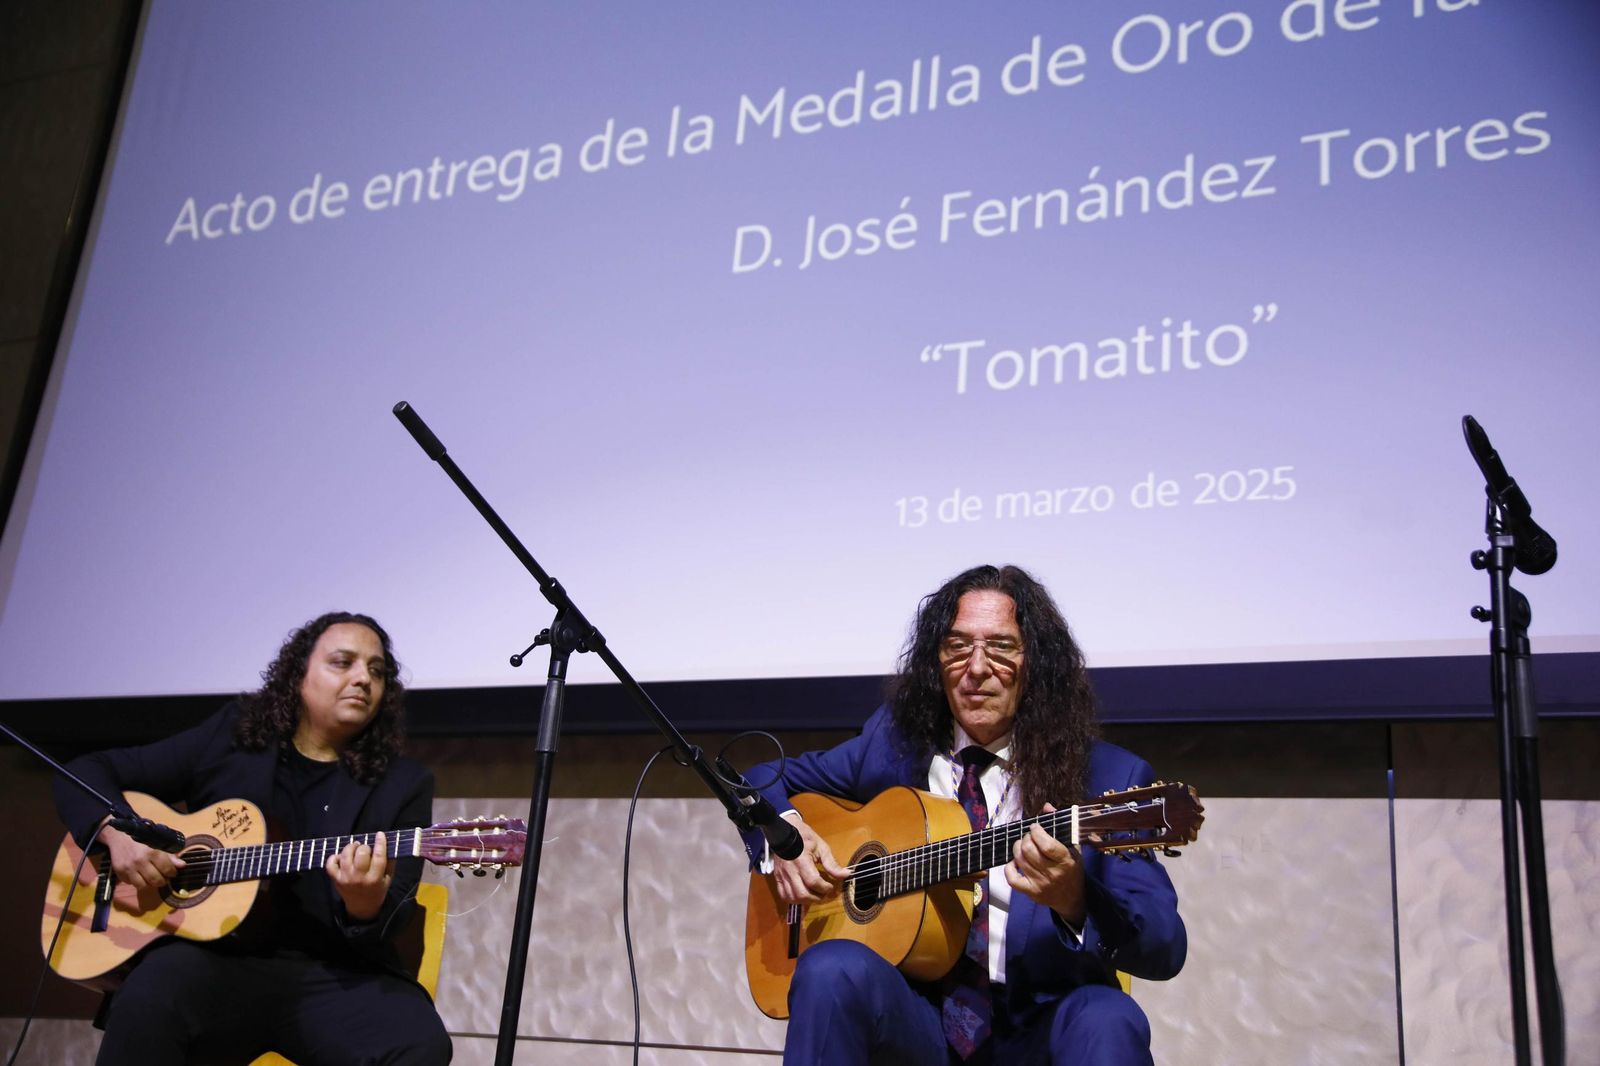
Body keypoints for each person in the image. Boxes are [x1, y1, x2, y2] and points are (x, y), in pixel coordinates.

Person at [743, 565, 1185, 1065]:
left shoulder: (1108, 775)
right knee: (829, 968)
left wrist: (1076, 900)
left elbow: (1164, 948)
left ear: (1036, 663)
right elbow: (760, 779)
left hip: (1038, 1028)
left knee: (1108, 1017)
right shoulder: (892, 748)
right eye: (957, 647)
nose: (976, 669)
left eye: (1000, 647)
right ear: (936, 661)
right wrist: (785, 839)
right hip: (919, 1024)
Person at [54, 612, 453, 1066]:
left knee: (419, 1042)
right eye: (343, 663)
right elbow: (86, 772)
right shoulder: (234, 737)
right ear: (298, 675)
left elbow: (393, 911)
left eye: (377, 671)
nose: (363, 678)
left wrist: (363, 903)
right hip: (212, 961)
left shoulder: (404, 783)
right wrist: (118, 836)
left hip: (335, 975)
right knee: (150, 995)